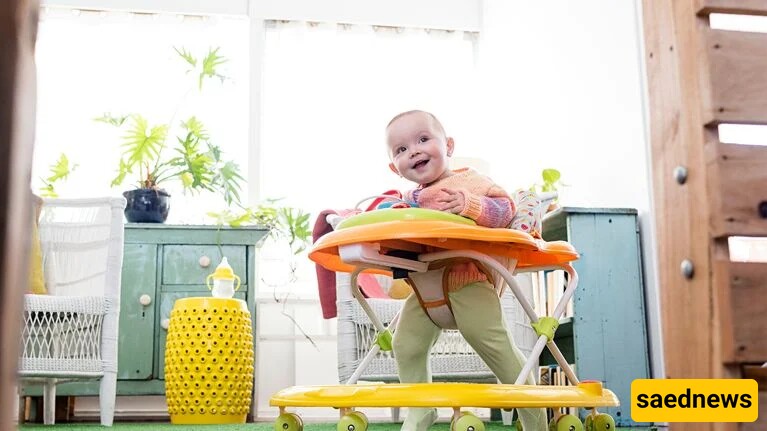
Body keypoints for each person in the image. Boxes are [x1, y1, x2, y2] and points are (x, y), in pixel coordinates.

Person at [385, 110, 547, 431]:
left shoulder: (469, 181)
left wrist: (470, 204)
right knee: (405, 344)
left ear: (448, 145)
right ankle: (422, 408)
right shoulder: (406, 202)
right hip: (425, 287)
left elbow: (505, 210)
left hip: (467, 280)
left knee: (494, 344)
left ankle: (533, 414)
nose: (413, 151)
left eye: (423, 139)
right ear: (395, 168)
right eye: (401, 149)